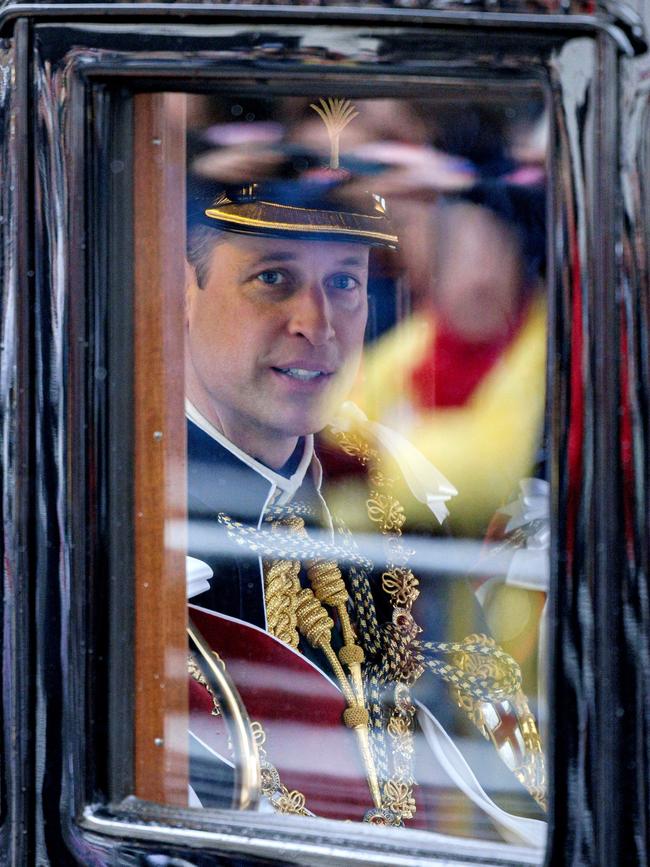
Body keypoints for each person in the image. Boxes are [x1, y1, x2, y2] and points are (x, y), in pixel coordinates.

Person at [183, 100, 546, 843]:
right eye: (448, 243)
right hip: (400, 636)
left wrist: (372, 463)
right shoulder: (414, 344)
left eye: (484, 246)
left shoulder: (549, 351)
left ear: (518, 255)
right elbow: (335, 432)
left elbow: (484, 465)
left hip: (518, 653)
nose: (468, 268)